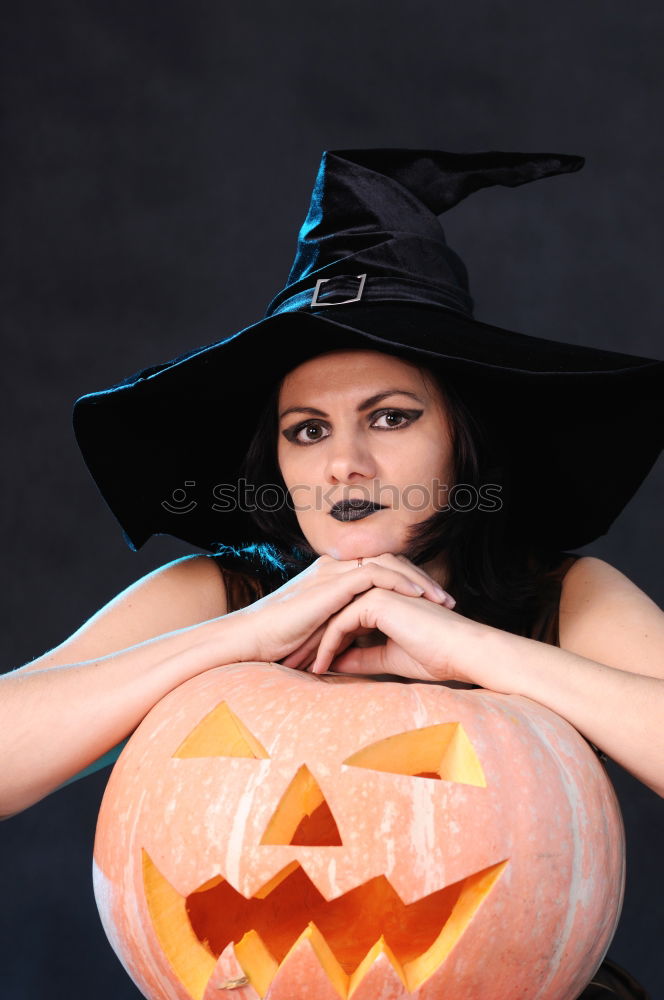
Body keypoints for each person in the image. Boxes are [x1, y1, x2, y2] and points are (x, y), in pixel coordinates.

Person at [1, 148, 662, 998]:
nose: (343, 464)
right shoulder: (213, 595)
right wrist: (242, 635)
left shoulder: (563, 594)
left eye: (389, 418)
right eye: (307, 430)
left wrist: (472, 651)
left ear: (462, 442)